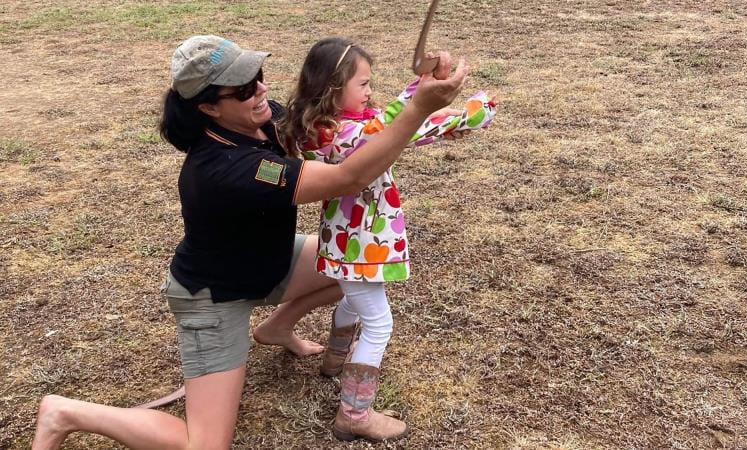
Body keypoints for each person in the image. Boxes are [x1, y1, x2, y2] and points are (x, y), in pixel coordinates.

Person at [32, 34, 468, 449]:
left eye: (257, 76)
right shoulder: (227, 168)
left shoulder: (263, 118)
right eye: (242, 90)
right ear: (208, 107)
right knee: (203, 444)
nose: (259, 90)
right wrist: (417, 110)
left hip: (270, 264)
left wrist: (422, 99)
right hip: (214, 296)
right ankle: (66, 413)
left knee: (363, 263)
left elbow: (341, 126)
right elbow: (347, 177)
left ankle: (276, 326)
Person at [280, 37, 496, 442]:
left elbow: (395, 122)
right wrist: (474, 110)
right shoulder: (347, 134)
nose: (369, 91)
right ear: (332, 89)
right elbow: (399, 126)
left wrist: (421, 90)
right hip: (362, 241)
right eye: (363, 84)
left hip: (345, 241)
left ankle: (334, 360)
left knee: (351, 300)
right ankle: (354, 413)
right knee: (379, 324)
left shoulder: (322, 128)